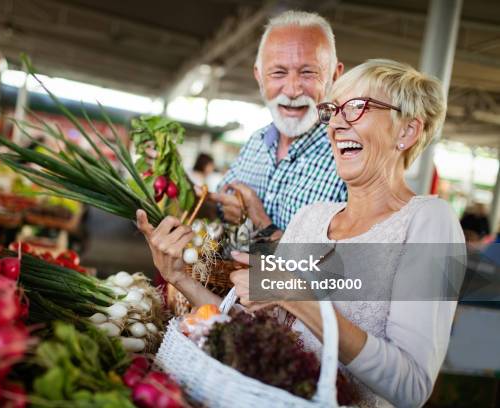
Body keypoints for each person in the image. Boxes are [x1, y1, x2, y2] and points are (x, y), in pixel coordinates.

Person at [137, 59, 465, 407]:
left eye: (356, 108)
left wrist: (300, 298)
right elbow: (255, 334)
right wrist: (180, 278)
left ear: (407, 131)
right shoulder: (310, 218)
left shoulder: (429, 219)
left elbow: (412, 388)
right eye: (332, 110)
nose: (337, 123)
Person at [145, 11, 347, 235]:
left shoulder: (349, 158)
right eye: (278, 73)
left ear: (335, 76)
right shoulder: (256, 143)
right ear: (259, 76)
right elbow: (218, 211)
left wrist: (260, 221)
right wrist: (178, 180)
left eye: (308, 73)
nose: (291, 90)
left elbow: (342, 268)